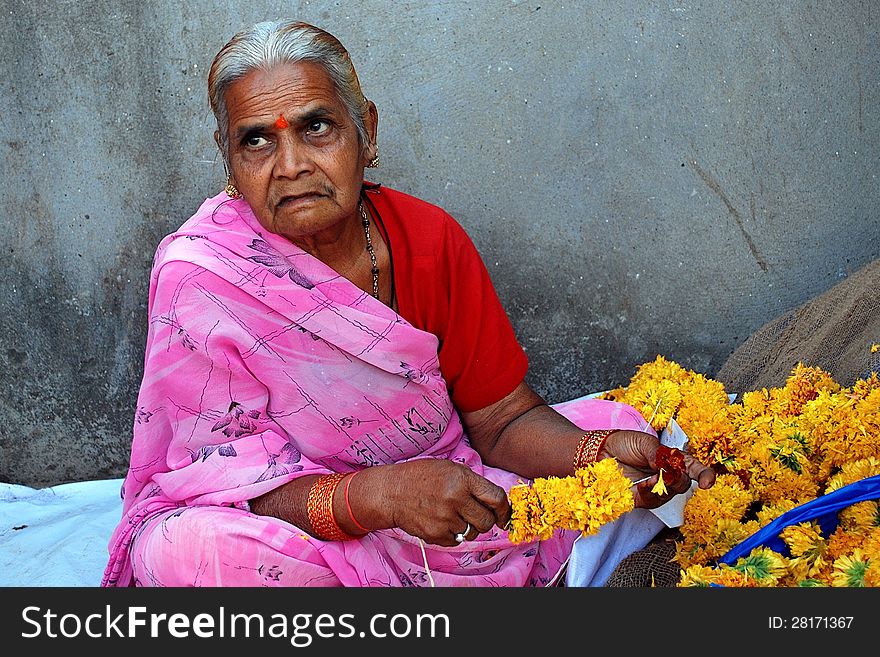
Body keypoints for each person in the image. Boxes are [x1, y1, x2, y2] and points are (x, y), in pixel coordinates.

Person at [102, 19, 715, 588]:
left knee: (629, 442)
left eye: (317, 127)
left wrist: (595, 457)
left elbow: (500, 420)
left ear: (366, 132)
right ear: (229, 160)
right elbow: (207, 482)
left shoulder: (428, 240)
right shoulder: (202, 274)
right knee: (186, 551)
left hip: (446, 490)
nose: (289, 167)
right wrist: (372, 499)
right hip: (298, 528)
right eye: (256, 141)